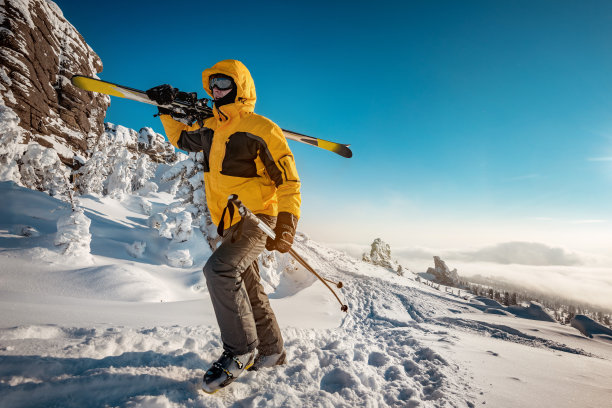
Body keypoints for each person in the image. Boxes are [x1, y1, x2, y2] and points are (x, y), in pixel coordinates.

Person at [146, 59, 301, 393]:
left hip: (259, 218)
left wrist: (287, 223)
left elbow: (288, 181)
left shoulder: (261, 129)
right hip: (230, 221)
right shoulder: (211, 129)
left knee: (219, 271)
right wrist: (166, 110)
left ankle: (241, 351)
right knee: (247, 283)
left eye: (224, 84)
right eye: (212, 84)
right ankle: (271, 350)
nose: (216, 90)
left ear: (240, 88)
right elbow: (181, 141)